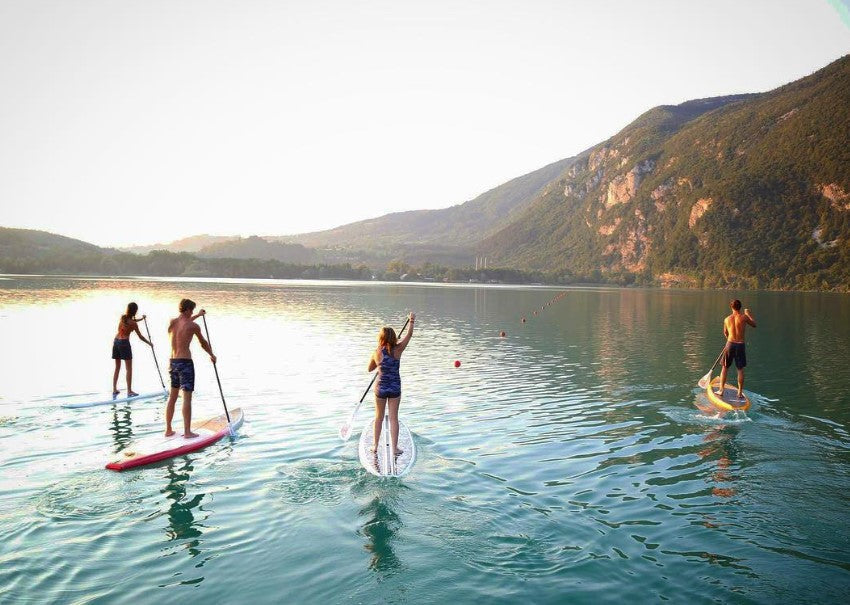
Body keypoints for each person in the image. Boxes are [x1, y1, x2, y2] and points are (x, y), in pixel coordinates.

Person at [165, 298, 216, 438]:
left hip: (173, 362)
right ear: (187, 309)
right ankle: (187, 432)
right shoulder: (193, 326)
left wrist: (198, 315)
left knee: (173, 397)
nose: (192, 312)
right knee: (187, 398)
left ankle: (168, 430)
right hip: (185, 363)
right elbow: (203, 343)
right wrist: (212, 354)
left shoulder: (172, 322)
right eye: (192, 310)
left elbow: (184, 322)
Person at [367, 312, 415, 458]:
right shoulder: (398, 349)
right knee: (393, 418)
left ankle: (375, 446)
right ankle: (394, 449)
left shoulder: (376, 352)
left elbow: (369, 369)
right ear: (393, 337)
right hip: (394, 388)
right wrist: (411, 321)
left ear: (380, 338)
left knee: (379, 417)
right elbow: (409, 336)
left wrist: (379, 365)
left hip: (380, 388)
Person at [717, 299, 756, 400]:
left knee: (725, 368)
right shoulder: (744, 317)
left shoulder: (727, 319)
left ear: (731, 307)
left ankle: (721, 390)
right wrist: (748, 314)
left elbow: (725, 332)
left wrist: (729, 341)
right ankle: (739, 393)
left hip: (730, 344)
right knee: (740, 369)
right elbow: (754, 324)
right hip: (740, 345)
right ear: (740, 307)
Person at [112, 302, 152, 396]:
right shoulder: (133, 323)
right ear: (135, 311)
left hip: (116, 341)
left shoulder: (123, 318)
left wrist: (141, 319)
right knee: (129, 369)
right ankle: (129, 391)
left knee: (117, 367)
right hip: (124, 344)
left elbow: (130, 321)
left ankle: (114, 389)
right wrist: (149, 343)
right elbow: (140, 336)